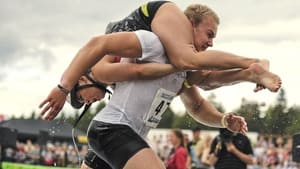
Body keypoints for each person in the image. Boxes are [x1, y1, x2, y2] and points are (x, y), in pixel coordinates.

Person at [38, 2, 282, 121]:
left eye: (82, 97)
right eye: (209, 35)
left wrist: (63, 87)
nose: (88, 101)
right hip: (152, 27)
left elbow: (100, 48)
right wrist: (221, 120)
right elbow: (196, 105)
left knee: (187, 61)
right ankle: (249, 73)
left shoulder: (99, 68)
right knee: (199, 78)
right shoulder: (112, 76)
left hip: (154, 13)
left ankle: (255, 62)